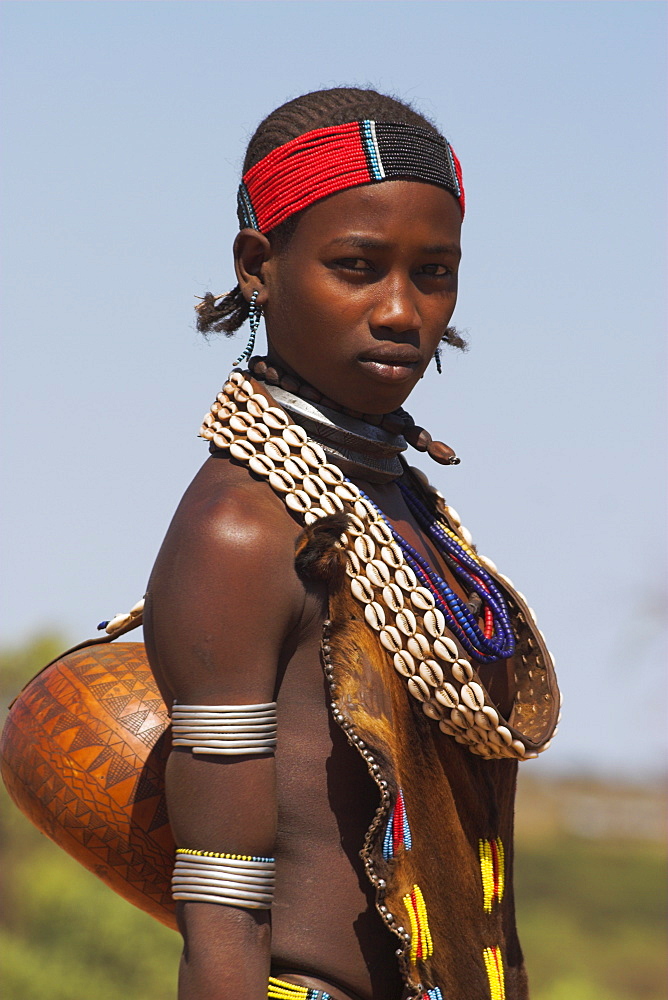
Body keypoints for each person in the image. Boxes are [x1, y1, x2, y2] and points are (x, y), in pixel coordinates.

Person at [143, 87, 559, 1000]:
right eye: (358, 266)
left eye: (434, 272)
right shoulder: (242, 529)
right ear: (260, 266)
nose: (404, 312)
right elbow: (222, 911)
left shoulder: (410, 511)